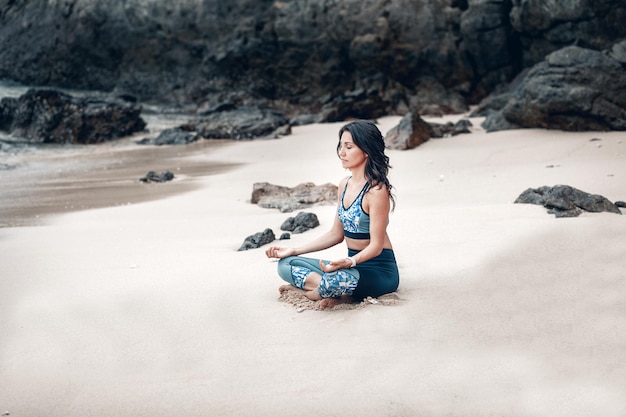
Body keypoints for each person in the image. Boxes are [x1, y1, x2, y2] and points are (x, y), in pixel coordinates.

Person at [265, 119, 399, 309]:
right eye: (341, 146)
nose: (341, 153)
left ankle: (312, 293)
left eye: (349, 147)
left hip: (379, 272)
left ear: (366, 150)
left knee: (335, 280)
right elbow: (336, 234)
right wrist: (295, 250)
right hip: (349, 268)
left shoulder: (376, 191)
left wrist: (349, 261)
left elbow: (376, 246)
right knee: (286, 264)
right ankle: (335, 293)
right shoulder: (344, 184)